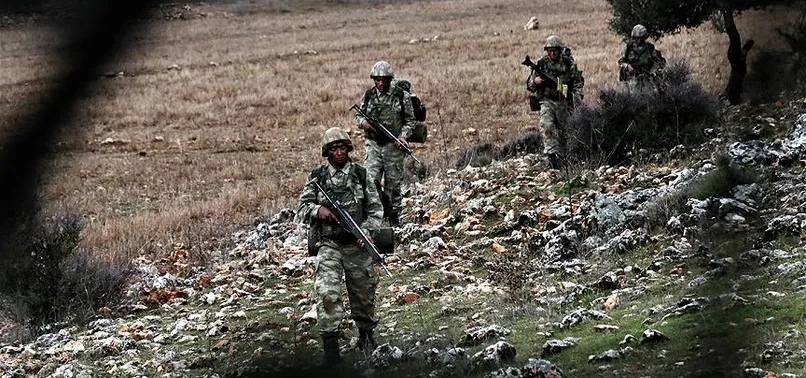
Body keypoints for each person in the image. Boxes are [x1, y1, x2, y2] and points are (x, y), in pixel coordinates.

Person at [296, 127, 385, 367]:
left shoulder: (361, 175)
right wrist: (318, 210)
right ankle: (331, 351)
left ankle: (367, 338)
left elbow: (375, 210)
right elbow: (301, 209)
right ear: (327, 152)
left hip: (357, 246)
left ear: (348, 149)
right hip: (329, 245)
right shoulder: (317, 177)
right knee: (327, 293)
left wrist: (366, 232)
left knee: (364, 293)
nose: (339, 152)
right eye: (334, 148)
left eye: (342, 147)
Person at [355, 61, 417, 227]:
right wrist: (363, 123)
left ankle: (393, 214)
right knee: (370, 179)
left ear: (389, 79)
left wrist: (403, 136)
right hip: (374, 145)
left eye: (383, 80)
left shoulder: (400, 96)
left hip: (393, 145)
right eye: (377, 80)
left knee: (393, 183)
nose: (380, 83)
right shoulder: (369, 95)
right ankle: (374, 213)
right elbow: (359, 115)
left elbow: (410, 120)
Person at [526, 35, 584, 170]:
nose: (552, 53)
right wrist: (535, 81)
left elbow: (577, 83)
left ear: (559, 50)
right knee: (547, 127)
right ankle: (552, 160)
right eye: (550, 50)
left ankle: (566, 160)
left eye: (555, 50)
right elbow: (530, 85)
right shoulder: (542, 64)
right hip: (547, 101)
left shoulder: (568, 64)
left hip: (563, 103)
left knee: (565, 132)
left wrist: (576, 99)